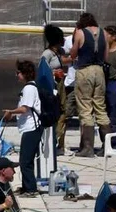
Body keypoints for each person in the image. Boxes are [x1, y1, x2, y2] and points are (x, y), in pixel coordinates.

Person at [69, 13, 109, 157]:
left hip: (85, 70)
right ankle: (107, 146)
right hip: (99, 70)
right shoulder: (104, 32)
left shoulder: (80, 33)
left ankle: (87, 148)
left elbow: (73, 54)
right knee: (100, 108)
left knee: (85, 108)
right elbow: (106, 56)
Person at [2, 60, 42, 197]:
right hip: (28, 128)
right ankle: (26, 187)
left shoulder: (29, 89)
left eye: (18, 72)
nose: (17, 75)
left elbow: (25, 108)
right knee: (25, 158)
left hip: (32, 128)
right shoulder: (28, 88)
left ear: (25, 73)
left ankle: (31, 189)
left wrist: (11, 112)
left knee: (26, 160)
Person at [41, 24, 72, 154]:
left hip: (60, 84)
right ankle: (54, 140)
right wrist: (54, 73)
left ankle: (60, 144)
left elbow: (69, 54)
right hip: (53, 85)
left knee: (63, 112)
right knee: (58, 112)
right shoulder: (47, 54)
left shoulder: (57, 52)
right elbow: (43, 71)